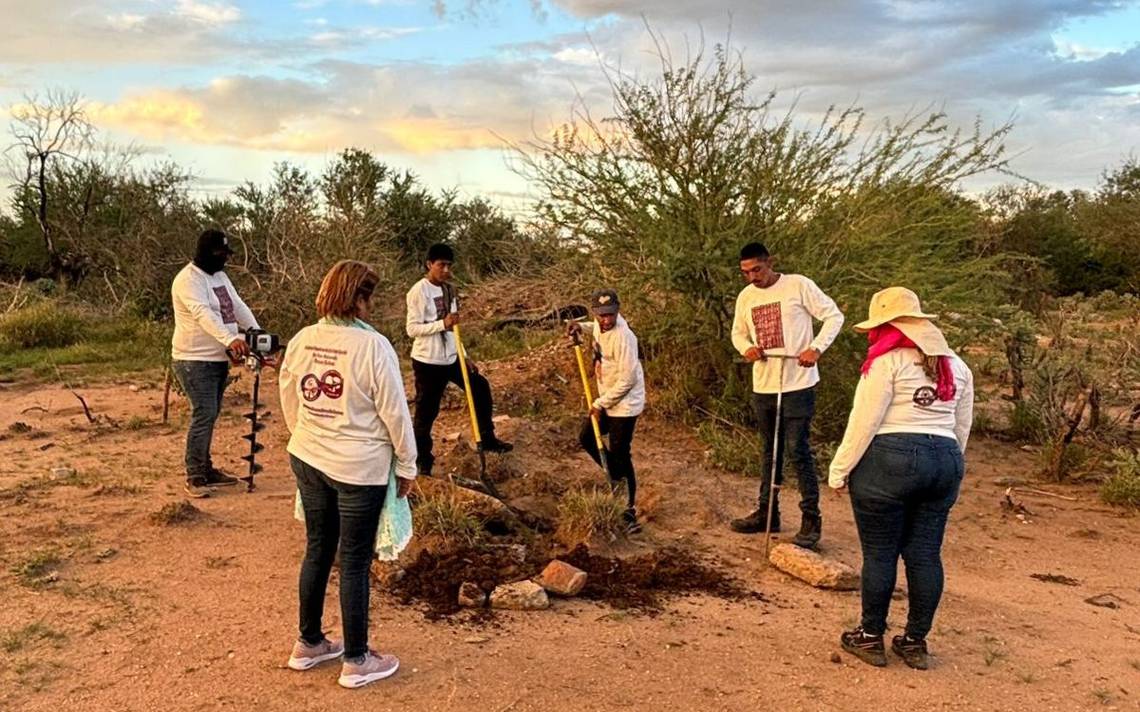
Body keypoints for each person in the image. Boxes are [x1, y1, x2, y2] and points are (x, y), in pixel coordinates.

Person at [279, 260, 417, 689]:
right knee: (355, 561)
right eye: (368, 296)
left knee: (318, 549)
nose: (370, 305)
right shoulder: (373, 347)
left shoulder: (304, 339)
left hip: (308, 455)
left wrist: (308, 433)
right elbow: (395, 410)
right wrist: (408, 464)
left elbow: (288, 393)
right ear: (357, 297)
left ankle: (309, 643)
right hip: (359, 467)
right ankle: (357, 659)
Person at [829, 287, 974, 670]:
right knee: (925, 554)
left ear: (886, 325)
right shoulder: (956, 366)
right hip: (944, 460)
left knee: (880, 552)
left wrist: (840, 470)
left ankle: (870, 636)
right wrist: (945, 465)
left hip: (889, 460)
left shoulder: (886, 362)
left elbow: (864, 422)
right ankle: (914, 642)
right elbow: (962, 427)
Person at [729, 241, 844, 549]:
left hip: (798, 382)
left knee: (797, 448)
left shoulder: (798, 285)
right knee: (770, 449)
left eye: (757, 269)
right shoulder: (746, 297)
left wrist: (816, 348)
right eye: (746, 272)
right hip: (764, 383)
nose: (753, 277)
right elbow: (738, 332)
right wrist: (747, 348)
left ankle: (811, 518)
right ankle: (767, 512)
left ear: (770, 263)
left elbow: (834, 316)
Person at [170, 228, 264, 497]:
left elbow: (236, 305)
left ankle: (206, 467)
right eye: (220, 253)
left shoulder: (220, 276)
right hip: (193, 359)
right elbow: (203, 314)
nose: (224, 258)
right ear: (208, 253)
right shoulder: (188, 280)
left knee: (210, 414)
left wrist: (254, 331)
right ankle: (195, 475)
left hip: (217, 358)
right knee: (204, 413)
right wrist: (230, 339)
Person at [405, 243, 512, 477]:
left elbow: (455, 330)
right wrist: (442, 324)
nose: (445, 270)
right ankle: (423, 461)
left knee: (480, 387)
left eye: (449, 265)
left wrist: (464, 355)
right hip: (428, 361)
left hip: (451, 357)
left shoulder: (450, 291)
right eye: (441, 265)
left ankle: (487, 438)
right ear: (429, 265)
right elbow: (412, 329)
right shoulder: (418, 292)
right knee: (426, 412)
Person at [566, 289, 646, 532]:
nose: (606, 320)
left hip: (625, 404)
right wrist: (583, 328)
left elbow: (628, 380)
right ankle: (617, 479)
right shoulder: (601, 324)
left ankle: (628, 511)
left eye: (610, 315)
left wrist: (599, 404)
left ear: (618, 310)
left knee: (621, 453)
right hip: (607, 398)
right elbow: (596, 328)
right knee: (587, 437)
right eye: (601, 315)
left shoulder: (625, 338)